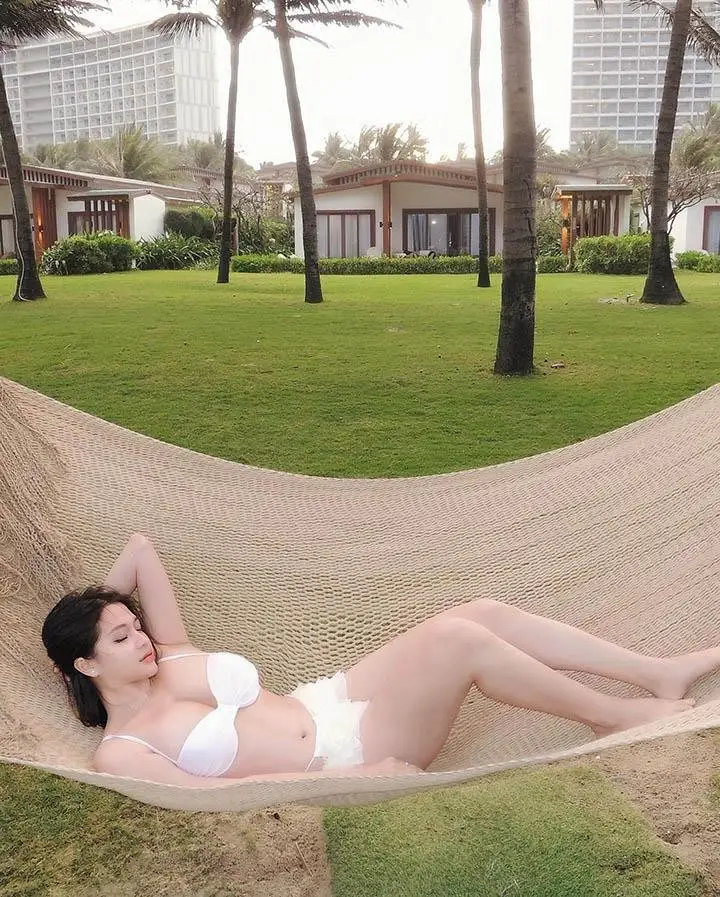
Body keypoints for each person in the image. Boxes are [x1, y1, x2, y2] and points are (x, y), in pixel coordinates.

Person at [42, 533, 718, 789]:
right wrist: (361, 775)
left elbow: (139, 550)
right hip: (344, 752)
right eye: (122, 639)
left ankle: (653, 673)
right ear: (88, 665)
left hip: (328, 699)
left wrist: (93, 615)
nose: (142, 639)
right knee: (459, 642)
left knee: (479, 611)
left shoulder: (171, 653)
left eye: (135, 625)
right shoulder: (122, 751)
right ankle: (612, 716)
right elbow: (215, 797)